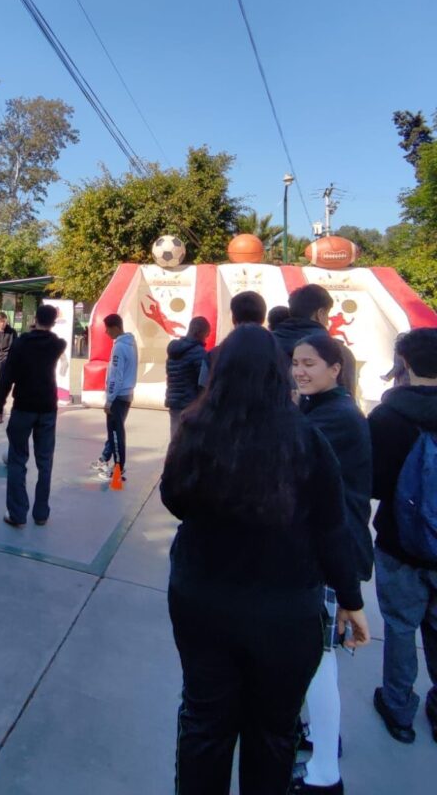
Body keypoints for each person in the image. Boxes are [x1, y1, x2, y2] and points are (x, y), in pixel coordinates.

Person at [161, 325, 369, 795]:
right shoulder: (307, 439)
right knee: (273, 733)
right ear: (280, 375)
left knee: (204, 723)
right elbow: (332, 529)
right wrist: (352, 601)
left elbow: (174, 500)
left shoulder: (195, 428)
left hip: (202, 598)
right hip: (285, 611)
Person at [291, 333, 373, 794]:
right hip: (331, 549)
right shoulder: (321, 409)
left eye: (310, 363)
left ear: (335, 367)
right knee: (316, 660)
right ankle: (319, 746)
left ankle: (325, 772)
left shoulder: (335, 418)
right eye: (296, 363)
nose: (300, 370)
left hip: (331, 551)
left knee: (320, 662)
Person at [368, 327, 437, 745]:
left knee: (398, 626)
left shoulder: (388, 416)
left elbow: (374, 484)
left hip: (400, 542)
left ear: (404, 365)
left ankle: (398, 710)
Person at [0, 304, 66, 527]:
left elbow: (7, 376)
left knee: (17, 460)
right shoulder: (58, 344)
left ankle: (17, 514)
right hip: (47, 407)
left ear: (34, 318)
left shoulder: (21, 343)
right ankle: (41, 513)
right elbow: (51, 337)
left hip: (23, 406)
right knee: (45, 462)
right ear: (54, 322)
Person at [272, 284, 357, 393]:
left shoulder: (264, 343)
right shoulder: (339, 352)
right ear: (320, 314)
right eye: (327, 315)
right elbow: (346, 401)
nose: (327, 322)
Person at [91, 313, 138, 482]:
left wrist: (109, 400)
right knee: (114, 433)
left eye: (108, 329)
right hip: (126, 395)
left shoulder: (119, 347)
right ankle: (105, 459)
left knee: (116, 434)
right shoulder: (131, 343)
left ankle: (118, 469)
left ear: (116, 328)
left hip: (118, 396)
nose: (106, 332)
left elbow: (115, 376)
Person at [165, 316, 210, 437]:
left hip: (173, 402)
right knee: (188, 442)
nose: (205, 339)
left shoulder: (173, 350)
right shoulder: (199, 353)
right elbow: (203, 383)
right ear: (200, 333)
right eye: (206, 335)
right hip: (191, 404)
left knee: (175, 438)